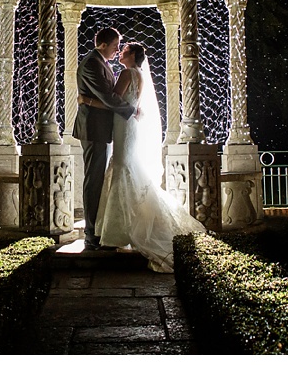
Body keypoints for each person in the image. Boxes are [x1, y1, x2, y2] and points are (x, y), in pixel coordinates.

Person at [78, 42, 206, 272]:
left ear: (134, 55)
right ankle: (122, 225)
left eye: (124, 50)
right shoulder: (139, 74)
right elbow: (124, 103)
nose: (120, 52)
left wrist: (86, 101)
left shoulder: (127, 73)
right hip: (127, 126)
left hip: (123, 124)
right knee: (125, 168)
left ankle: (117, 231)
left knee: (122, 168)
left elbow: (113, 102)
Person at [72, 27, 137, 251]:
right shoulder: (92, 63)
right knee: (93, 179)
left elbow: (106, 97)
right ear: (103, 45)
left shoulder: (102, 63)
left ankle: (97, 228)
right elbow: (108, 98)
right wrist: (131, 110)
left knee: (98, 178)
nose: (117, 49)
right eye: (115, 45)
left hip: (102, 128)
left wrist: (88, 101)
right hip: (93, 129)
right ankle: (90, 233)